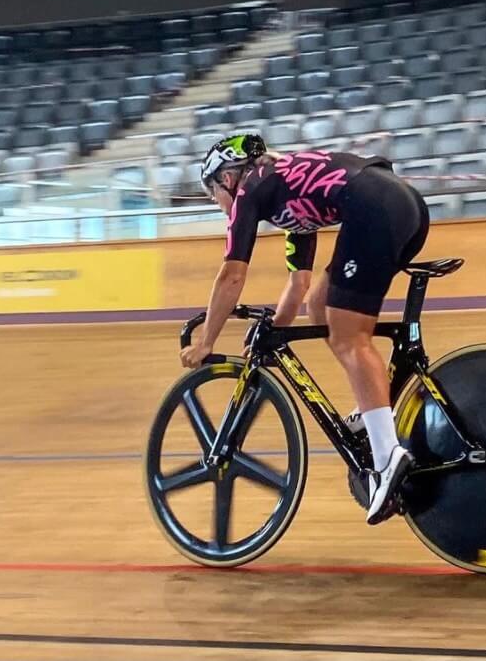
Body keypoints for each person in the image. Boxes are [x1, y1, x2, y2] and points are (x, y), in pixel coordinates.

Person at [179, 133, 430, 525]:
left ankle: (386, 458)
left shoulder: (251, 187)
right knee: (320, 304)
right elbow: (298, 285)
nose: (220, 206)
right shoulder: (289, 194)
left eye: (214, 197)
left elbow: (231, 275)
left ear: (227, 180)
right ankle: (374, 409)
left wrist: (205, 341)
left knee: (350, 335)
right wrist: (271, 334)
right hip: (402, 203)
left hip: (376, 206)